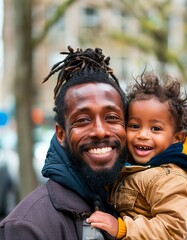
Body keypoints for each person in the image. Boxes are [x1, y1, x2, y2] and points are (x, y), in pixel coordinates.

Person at [0, 46, 128, 239]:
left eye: (111, 117)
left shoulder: (139, 211)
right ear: (61, 133)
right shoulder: (26, 228)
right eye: (83, 120)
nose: (100, 131)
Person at [86, 72, 187, 239]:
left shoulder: (170, 178)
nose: (143, 135)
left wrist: (121, 228)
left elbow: (171, 231)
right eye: (134, 126)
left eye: (155, 128)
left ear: (177, 138)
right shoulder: (133, 167)